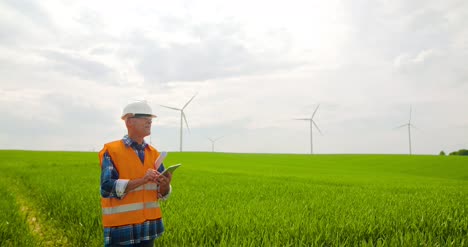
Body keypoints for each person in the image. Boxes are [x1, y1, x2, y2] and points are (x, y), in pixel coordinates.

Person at [99, 100, 172, 247]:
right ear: (129, 121)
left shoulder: (154, 153)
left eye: (150, 119)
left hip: (148, 228)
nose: (149, 121)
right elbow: (106, 188)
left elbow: (161, 193)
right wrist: (142, 180)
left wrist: (165, 186)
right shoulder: (112, 151)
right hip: (122, 228)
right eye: (144, 117)